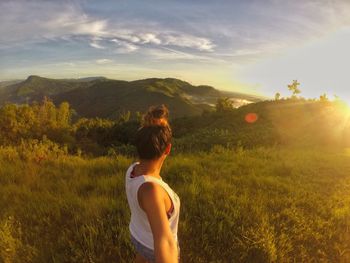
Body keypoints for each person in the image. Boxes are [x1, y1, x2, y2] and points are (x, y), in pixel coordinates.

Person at [125, 105, 180, 263]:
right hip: (151, 247)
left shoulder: (132, 169)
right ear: (168, 149)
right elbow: (165, 241)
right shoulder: (152, 191)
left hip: (138, 236)